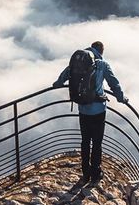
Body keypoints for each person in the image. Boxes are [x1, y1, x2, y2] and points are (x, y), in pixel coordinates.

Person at [53, 41, 128, 182]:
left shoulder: (78, 62)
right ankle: (96, 172)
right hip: (99, 110)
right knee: (97, 142)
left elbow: (64, 76)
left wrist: (56, 84)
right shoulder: (102, 64)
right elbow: (114, 83)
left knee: (85, 141)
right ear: (101, 51)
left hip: (83, 109)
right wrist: (121, 98)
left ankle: (85, 172)